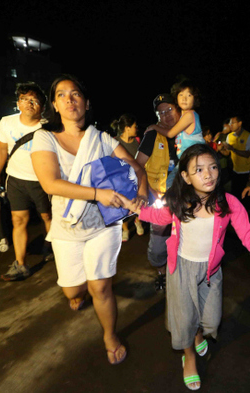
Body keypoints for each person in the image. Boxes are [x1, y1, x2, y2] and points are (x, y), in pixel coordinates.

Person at [126, 143, 250, 390]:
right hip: (181, 269)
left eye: (212, 167)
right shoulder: (178, 202)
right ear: (186, 177)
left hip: (211, 271)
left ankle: (198, 333)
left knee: (210, 317)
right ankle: (188, 357)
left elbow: (248, 234)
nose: (208, 174)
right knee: (184, 317)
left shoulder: (228, 202)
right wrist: (136, 209)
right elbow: (158, 217)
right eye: (198, 170)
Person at [31, 74, 147, 365]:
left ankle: (110, 335)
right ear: (55, 105)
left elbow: (136, 167)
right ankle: (78, 290)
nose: (69, 99)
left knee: (101, 288)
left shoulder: (102, 138)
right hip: (66, 227)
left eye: (75, 94)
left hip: (101, 227)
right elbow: (50, 183)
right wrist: (99, 193)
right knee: (73, 289)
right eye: (61, 95)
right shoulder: (44, 137)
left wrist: (142, 193)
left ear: (86, 102)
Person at [0, 82, 53, 281]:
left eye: (34, 100)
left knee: (47, 218)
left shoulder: (48, 127)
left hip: (41, 182)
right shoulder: (7, 122)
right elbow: (1, 149)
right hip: (16, 180)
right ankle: (21, 264)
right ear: (18, 103)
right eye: (24, 99)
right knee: (18, 220)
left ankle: (54, 247)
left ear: (42, 107)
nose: (29, 103)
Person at [135, 93, 180, 291]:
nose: (165, 115)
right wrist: (152, 192)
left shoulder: (187, 135)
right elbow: (138, 166)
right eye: (160, 112)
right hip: (159, 196)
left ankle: (181, 273)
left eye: (169, 109)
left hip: (183, 197)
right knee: (159, 238)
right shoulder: (152, 135)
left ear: (179, 110)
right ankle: (161, 270)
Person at [146, 79, 206, 186]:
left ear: (195, 99)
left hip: (195, 158)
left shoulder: (189, 115)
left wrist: (154, 126)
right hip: (188, 159)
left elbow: (170, 133)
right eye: (181, 94)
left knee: (170, 184)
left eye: (189, 95)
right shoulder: (185, 116)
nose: (184, 98)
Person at [111, 113, 144, 240]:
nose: (137, 129)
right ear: (127, 128)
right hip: (120, 181)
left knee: (137, 201)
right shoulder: (115, 142)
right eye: (135, 126)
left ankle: (137, 220)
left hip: (135, 178)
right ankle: (125, 228)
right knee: (122, 205)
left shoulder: (137, 141)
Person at [224, 115, 250, 202]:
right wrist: (220, 149)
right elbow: (227, 153)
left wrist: (232, 149)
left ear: (240, 123)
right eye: (230, 123)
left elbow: (247, 154)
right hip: (235, 170)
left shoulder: (249, 136)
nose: (230, 125)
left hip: (247, 171)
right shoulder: (229, 136)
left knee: (245, 197)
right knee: (235, 195)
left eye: (232, 123)